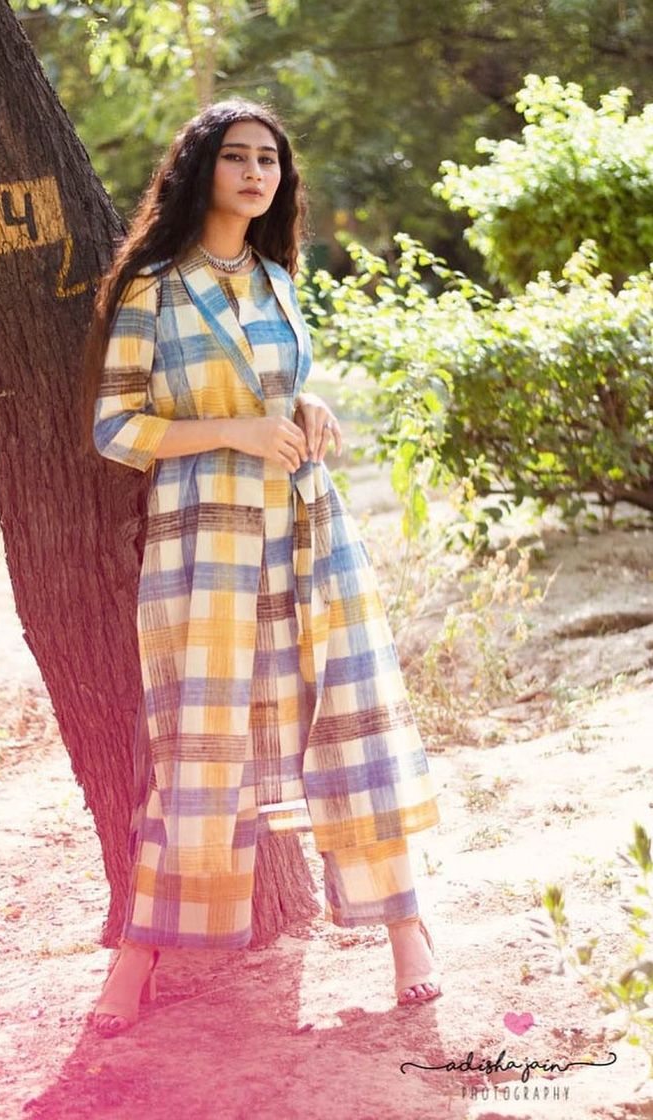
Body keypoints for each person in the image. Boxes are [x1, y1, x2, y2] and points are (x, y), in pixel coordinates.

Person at [82, 98, 442, 1037]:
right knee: (198, 741)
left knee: (349, 720)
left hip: (306, 526)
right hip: (204, 542)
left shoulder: (280, 279)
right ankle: (141, 954)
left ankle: (407, 927)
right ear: (200, 169)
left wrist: (306, 406)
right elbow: (116, 428)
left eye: (269, 161)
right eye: (237, 157)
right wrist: (235, 432)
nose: (255, 174)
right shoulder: (154, 287)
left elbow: (278, 387)